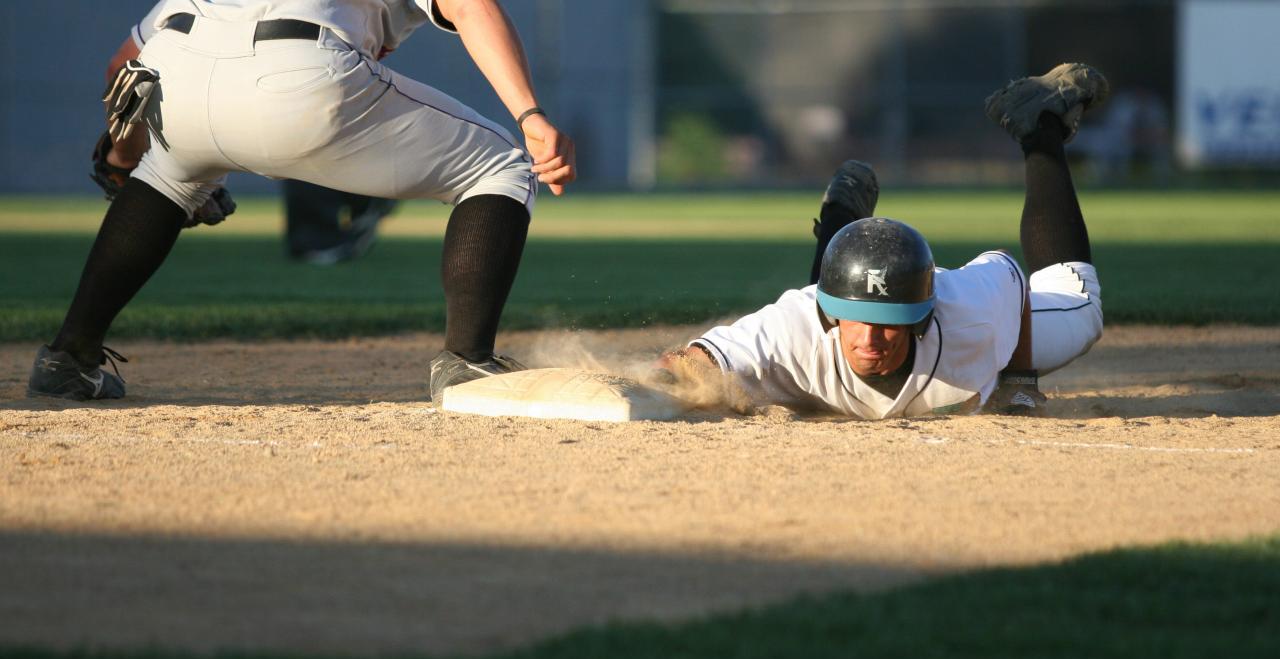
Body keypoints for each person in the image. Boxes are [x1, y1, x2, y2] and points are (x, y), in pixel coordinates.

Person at [27, 0, 575, 402]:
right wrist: (530, 115)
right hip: (299, 70)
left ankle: (68, 356)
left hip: (175, 74)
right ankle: (467, 363)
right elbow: (469, 5)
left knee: (167, 176)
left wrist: (123, 164)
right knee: (499, 164)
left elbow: (121, 67)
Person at [660, 63, 1108, 418]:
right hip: (837, 312)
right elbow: (696, 360)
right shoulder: (792, 325)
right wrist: (657, 384)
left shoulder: (970, 319)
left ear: (921, 318)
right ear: (830, 315)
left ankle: (1041, 124)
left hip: (965, 320)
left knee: (1082, 312)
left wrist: (1020, 379)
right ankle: (842, 218)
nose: (871, 340)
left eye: (890, 323)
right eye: (855, 319)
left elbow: (1009, 277)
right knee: (845, 289)